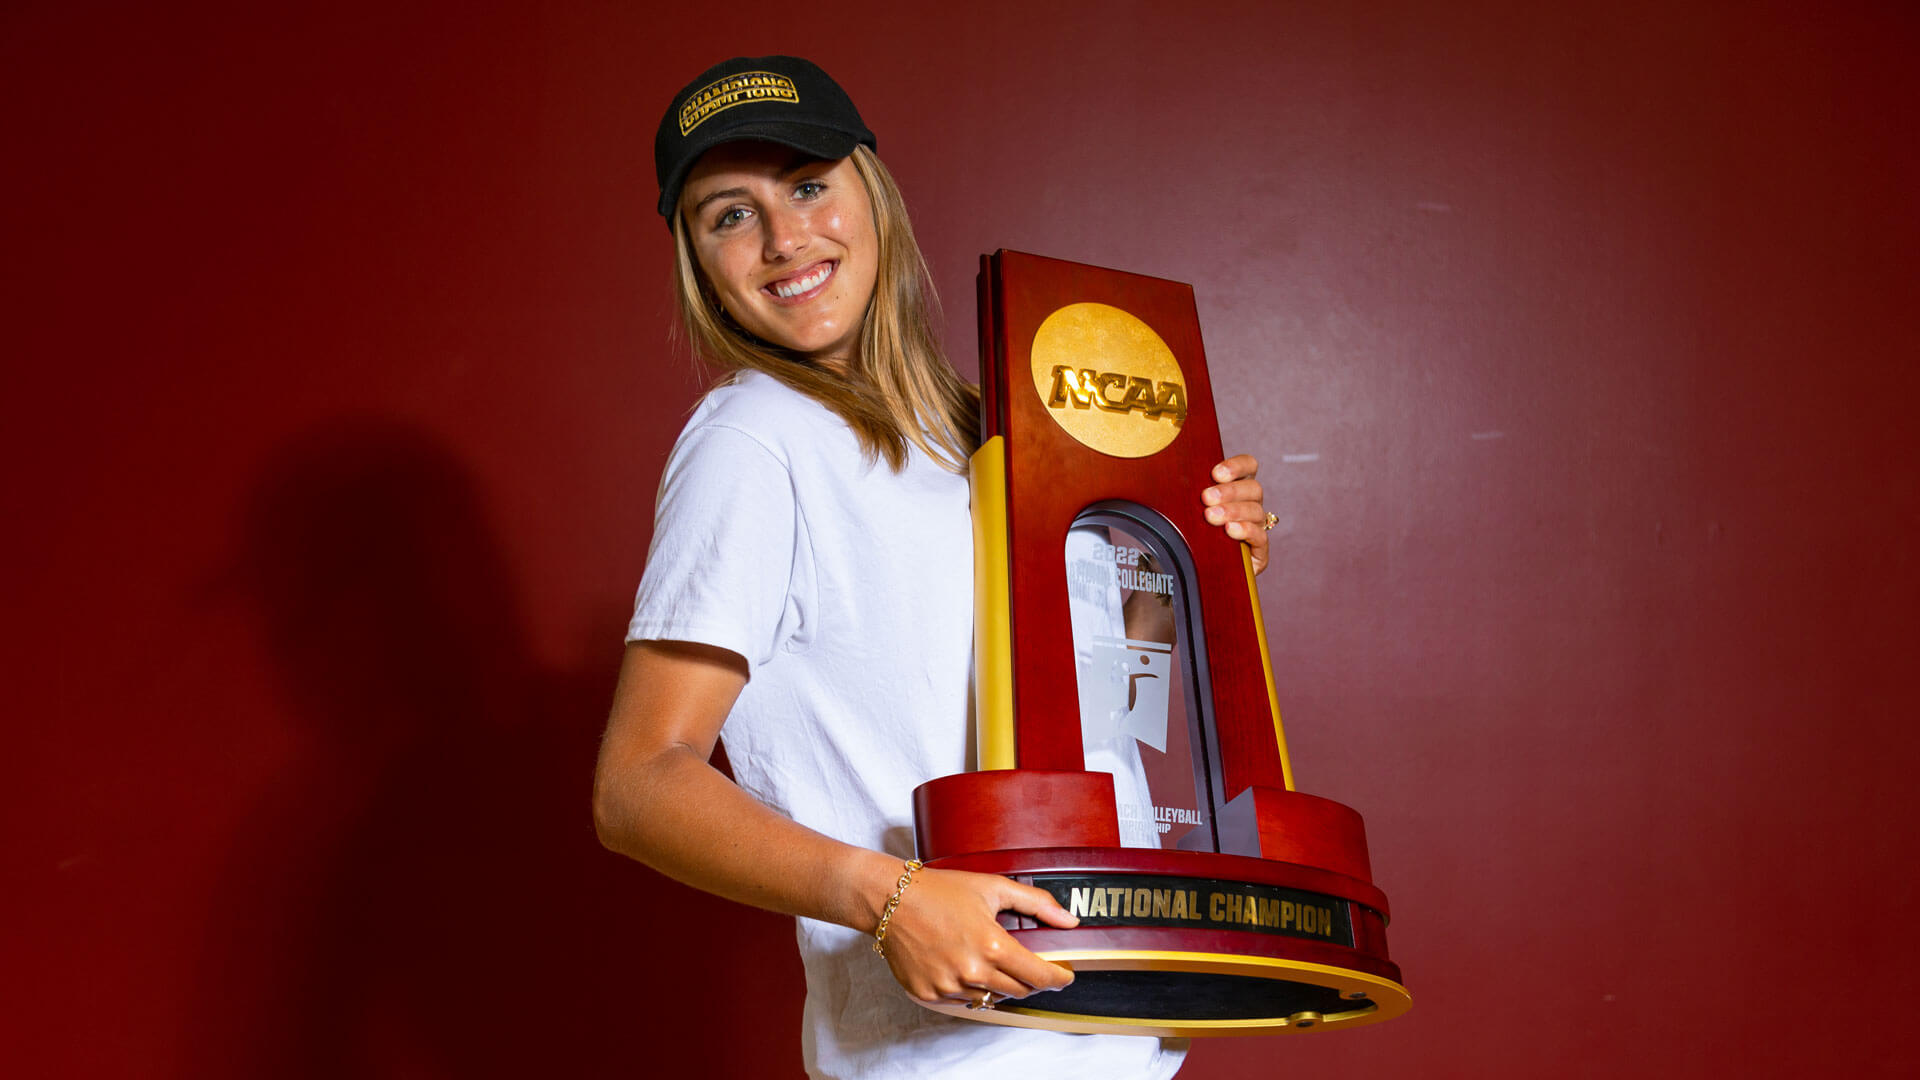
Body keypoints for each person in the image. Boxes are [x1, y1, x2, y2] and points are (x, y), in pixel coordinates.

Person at [592, 56, 1275, 1079]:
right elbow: (637, 784)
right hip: (949, 1059)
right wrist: (890, 897)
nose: (784, 239)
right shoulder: (757, 436)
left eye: (809, 184)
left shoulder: (993, 429)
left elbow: (1103, 713)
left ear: (871, 188)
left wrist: (1203, 569)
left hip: (1124, 1027)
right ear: (699, 260)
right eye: (729, 214)